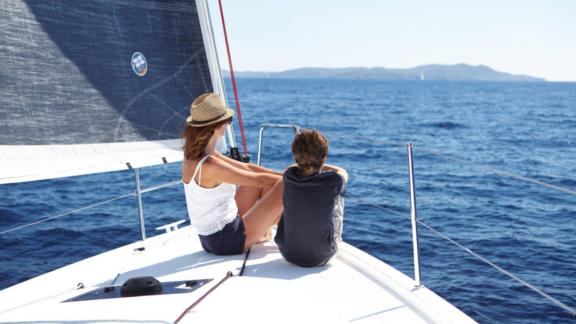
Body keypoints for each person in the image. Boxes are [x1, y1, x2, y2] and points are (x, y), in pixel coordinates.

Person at [182, 92, 284, 255]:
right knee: (285, 186)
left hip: (211, 239)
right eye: (227, 120)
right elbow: (261, 181)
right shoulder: (210, 165)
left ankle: (263, 232)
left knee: (266, 183)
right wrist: (298, 178)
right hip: (227, 240)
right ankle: (294, 235)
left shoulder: (196, 155)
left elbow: (248, 169)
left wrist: (282, 174)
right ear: (218, 126)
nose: (228, 124)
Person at [274, 129, 348, 267]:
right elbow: (343, 172)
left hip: (288, 253)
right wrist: (321, 164)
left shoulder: (288, 175)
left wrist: (308, 162)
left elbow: (291, 167)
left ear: (296, 156)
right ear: (324, 157)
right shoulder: (333, 180)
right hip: (322, 256)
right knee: (338, 196)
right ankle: (336, 241)